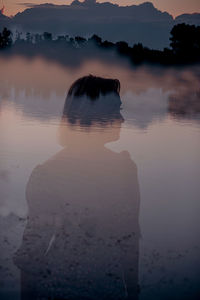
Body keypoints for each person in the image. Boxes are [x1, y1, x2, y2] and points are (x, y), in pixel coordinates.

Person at [14, 75, 140, 300]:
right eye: (114, 110)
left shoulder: (125, 170)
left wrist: (131, 291)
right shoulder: (49, 174)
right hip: (61, 290)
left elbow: (129, 242)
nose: (122, 119)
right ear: (93, 115)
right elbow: (32, 253)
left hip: (107, 291)